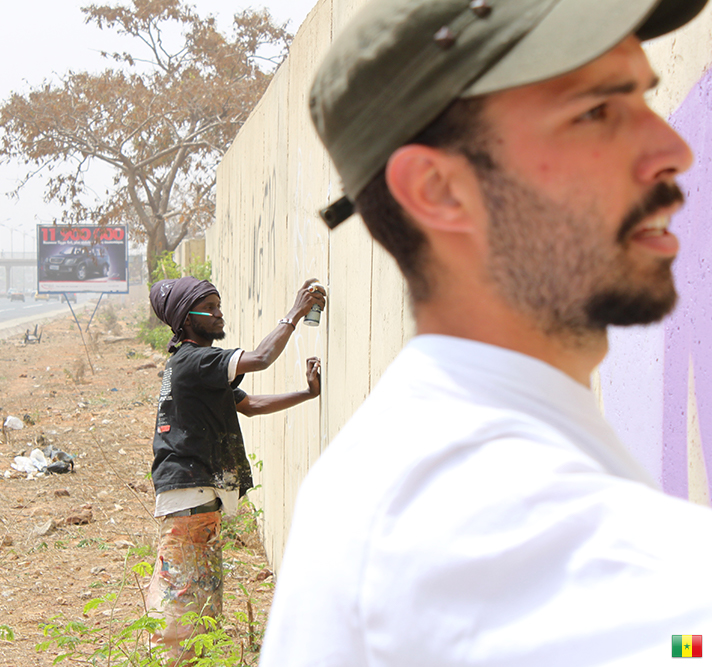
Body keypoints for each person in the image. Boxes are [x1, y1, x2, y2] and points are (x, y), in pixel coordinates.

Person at [260, 1, 712, 665]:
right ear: (439, 190)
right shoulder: (466, 513)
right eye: (596, 111)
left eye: (645, 98)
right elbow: (685, 636)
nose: (673, 151)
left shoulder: (437, 442)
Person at [145, 276, 325, 660]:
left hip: (195, 499)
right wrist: (295, 312)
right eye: (209, 308)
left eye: (218, 305)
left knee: (201, 606)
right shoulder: (195, 360)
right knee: (181, 609)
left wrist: (307, 394)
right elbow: (260, 359)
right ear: (187, 319)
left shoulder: (194, 366)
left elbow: (249, 404)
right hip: (189, 497)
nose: (219, 313)